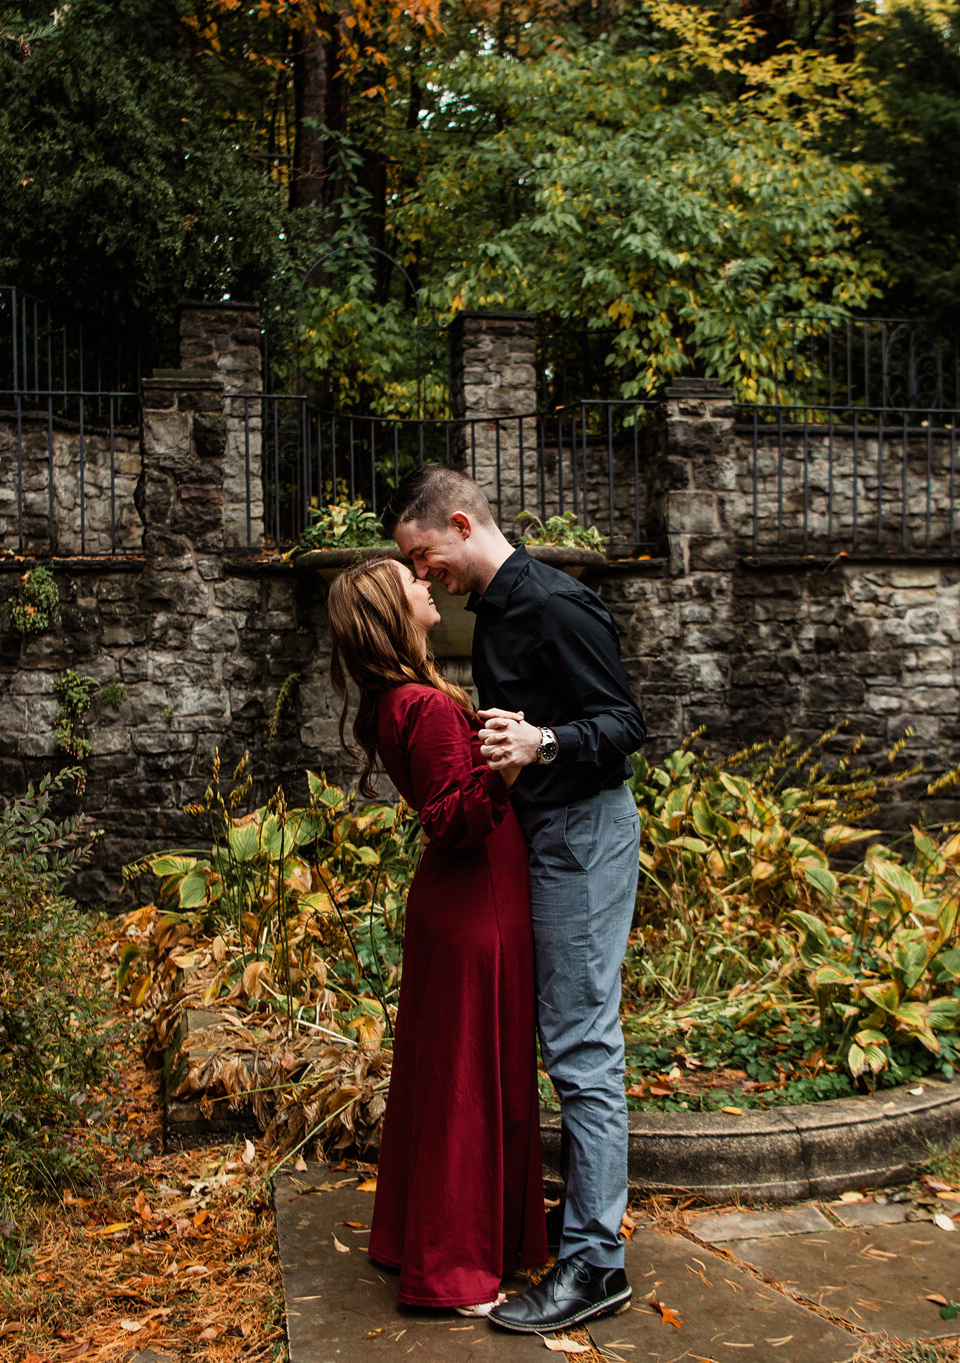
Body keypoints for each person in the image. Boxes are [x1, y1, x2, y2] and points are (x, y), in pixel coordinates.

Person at [384, 467, 647, 1335]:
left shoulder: (559, 605)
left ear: (461, 524)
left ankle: (595, 1262)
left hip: (583, 834)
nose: (422, 579)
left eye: (422, 558)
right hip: (545, 836)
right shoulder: (492, 609)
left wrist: (543, 741)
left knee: (581, 1044)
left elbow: (626, 727)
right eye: (412, 571)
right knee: (565, 1037)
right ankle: (565, 1239)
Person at [326, 556, 549, 1315]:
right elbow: (453, 818)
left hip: (464, 903)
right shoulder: (419, 703)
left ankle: (432, 1241)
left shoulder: (399, 700)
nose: (427, 585)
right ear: (392, 609)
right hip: (473, 903)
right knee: (466, 1087)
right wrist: (510, 768)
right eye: (411, 582)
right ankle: (454, 1270)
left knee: (450, 1077)